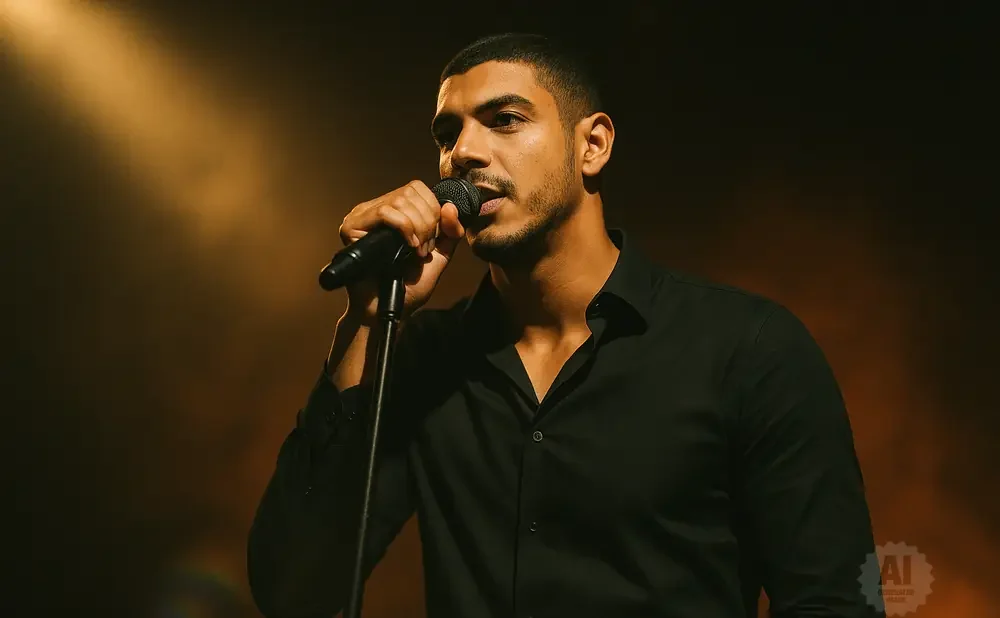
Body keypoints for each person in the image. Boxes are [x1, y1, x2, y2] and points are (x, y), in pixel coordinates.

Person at [247, 33, 883, 618]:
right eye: (448, 134)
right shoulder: (427, 359)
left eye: (505, 120)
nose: (463, 153)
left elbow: (832, 601)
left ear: (593, 145)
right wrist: (363, 319)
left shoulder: (747, 349)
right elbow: (295, 591)